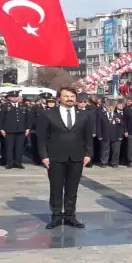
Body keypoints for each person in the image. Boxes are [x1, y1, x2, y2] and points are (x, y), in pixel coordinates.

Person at [35, 87, 93, 229]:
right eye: (66, 96)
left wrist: (88, 154)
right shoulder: (47, 114)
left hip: (77, 156)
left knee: (72, 188)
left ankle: (70, 216)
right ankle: (56, 216)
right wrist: (44, 156)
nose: (70, 99)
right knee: (56, 187)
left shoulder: (84, 115)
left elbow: (88, 136)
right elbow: (41, 137)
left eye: (72, 96)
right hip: (55, 156)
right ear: (59, 98)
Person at [0, 91, 31, 169]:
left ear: (18, 97)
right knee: (9, 148)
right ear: (9, 97)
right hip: (9, 130)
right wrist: (1, 129)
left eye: (16, 96)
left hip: (21, 130)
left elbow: (28, 118)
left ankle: (18, 162)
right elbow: (0, 119)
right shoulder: (4, 106)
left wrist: (28, 128)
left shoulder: (24, 105)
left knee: (19, 147)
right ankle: (9, 163)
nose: (14, 98)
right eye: (12, 97)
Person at [97, 101, 124, 167]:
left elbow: (122, 126)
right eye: (109, 107)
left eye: (112, 107)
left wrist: (120, 135)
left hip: (116, 136)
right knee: (104, 150)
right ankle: (104, 162)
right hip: (105, 135)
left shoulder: (118, 115)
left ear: (114, 108)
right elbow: (98, 126)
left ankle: (114, 163)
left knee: (116, 151)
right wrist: (99, 135)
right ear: (106, 107)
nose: (110, 108)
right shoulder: (101, 115)